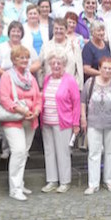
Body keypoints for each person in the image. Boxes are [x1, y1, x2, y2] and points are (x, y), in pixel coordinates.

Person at [0, 46, 42, 201]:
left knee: (24, 153)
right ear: (14, 60)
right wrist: (22, 111)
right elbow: (4, 98)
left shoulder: (31, 77)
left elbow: (37, 97)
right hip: (13, 120)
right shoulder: (7, 76)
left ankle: (20, 182)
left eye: (26, 58)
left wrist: (36, 110)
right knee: (18, 151)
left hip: (30, 120)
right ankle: (14, 188)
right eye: (20, 58)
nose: (24, 60)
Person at [81, 57, 111, 194]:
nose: (107, 71)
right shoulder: (90, 83)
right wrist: (83, 118)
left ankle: (109, 181)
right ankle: (93, 183)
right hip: (94, 123)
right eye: (105, 68)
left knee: (110, 153)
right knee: (94, 153)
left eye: (110, 68)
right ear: (99, 68)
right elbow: (83, 101)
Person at [40, 49, 81, 193]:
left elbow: (76, 103)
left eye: (59, 63)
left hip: (63, 122)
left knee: (63, 152)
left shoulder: (70, 80)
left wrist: (76, 123)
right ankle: (52, 180)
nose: (56, 65)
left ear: (64, 65)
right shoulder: (47, 79)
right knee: (49, 152)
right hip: (46, 121)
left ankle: (65, 181)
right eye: (54, 63)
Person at [39, 18, 84, 89]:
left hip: (69, 88)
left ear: (66, 30)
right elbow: (40, 67)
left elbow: (79, 69)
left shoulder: (74, 46)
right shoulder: (45, 46)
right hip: (49, 87)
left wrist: (78, 88)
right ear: (53, 30)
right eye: (56, 29)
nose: (58, 31)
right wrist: (41, 85)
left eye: (61, 29)